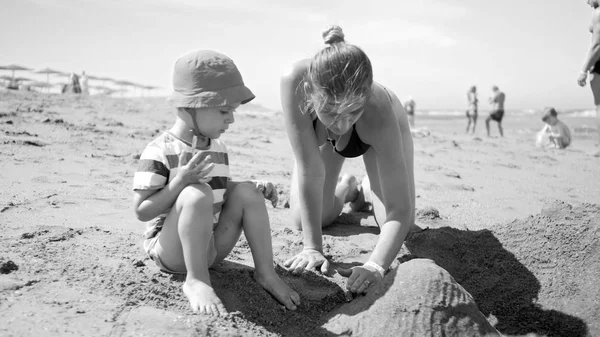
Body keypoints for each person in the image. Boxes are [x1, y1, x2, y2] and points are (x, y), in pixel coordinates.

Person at [132, 50, 300, 316]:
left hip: (211, 246)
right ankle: (196, 280)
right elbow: (142, 211)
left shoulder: (218, 147)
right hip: (173, 253)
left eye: (232, 111)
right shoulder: (159, 150)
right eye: (224, 111)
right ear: (191, 107)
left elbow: (219, 188)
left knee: (246, 192)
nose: (231, 119)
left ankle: (266, 273)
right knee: (196, 194)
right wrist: (180, 183)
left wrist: (247, 186)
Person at [280, 25, 415, 295]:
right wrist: (313, 249)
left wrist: (375, 266)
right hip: (324, 139)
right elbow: (310, 170)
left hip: (373, 133)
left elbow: (400, 209)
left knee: (399, 225)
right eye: (331, 112)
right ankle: (349, 188)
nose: (341, 125)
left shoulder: (377, 110)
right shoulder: (294, 83)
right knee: (305, 219)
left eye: (351, 113)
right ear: (310, 91)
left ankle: (368, 190)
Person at [578, 0, 600, 156]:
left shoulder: (598, 12)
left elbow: (597, 45)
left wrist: (583, 70)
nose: (586, 1)